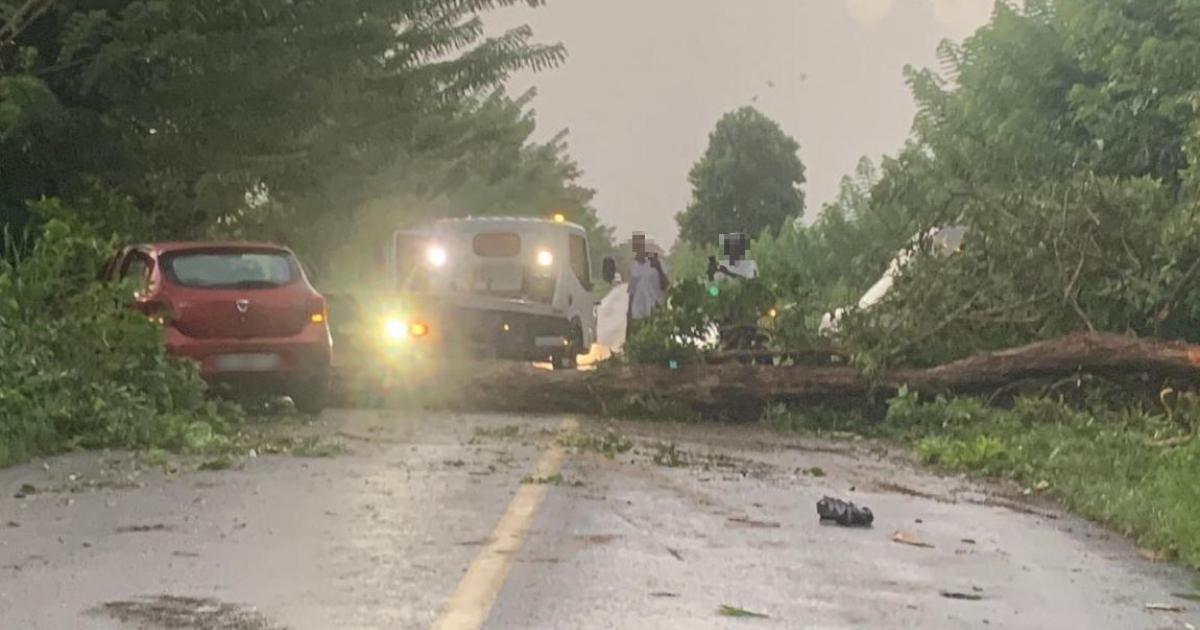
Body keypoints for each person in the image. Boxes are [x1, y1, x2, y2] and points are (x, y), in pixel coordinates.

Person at [627, 248, 669, 335]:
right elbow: (631, 293)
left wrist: (658, 268)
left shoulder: (659, 264)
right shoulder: (634, 268)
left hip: (655, 311)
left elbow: (665, 286)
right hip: (638, 313)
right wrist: (629, 314)